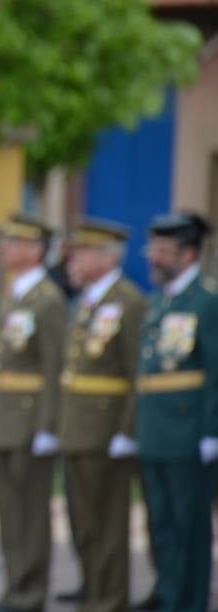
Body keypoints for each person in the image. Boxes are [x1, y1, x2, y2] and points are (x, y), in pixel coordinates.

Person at [59, 218, 146, 612]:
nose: (74, 258)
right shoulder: (87, 301)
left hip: (107, 428)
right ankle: (94, 590)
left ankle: (110, 599)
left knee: (108, 522)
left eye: (84, 251)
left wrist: (127, 430)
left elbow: (136, 373)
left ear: (107, 257)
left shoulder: (128, 301)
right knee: (84, 521)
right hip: (78, 427)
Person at [0, 213, 67, 612]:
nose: (5, 249)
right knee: (10, 512)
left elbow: (54, 366)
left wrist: (48, 425)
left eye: (14, 243)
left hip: (31, 419)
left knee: (31, 514)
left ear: (35, 250)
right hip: (5, 419)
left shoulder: (47, 300)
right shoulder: (14, 294)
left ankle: (30, 593)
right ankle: (15, 587)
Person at [137, 212, 218, 612]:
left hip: (189, 432)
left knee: (190, 527)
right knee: (161, 526)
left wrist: (211, 430)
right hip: (154, 429)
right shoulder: (159, 301)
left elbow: (215, 369)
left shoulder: (206, 301)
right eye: (153, 249)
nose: (154, 258)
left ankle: (190, 603)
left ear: (188, 254)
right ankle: (169, 597)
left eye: (163, 251)